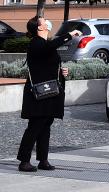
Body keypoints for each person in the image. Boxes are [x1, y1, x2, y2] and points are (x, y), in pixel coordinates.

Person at [17, 16, 82, 172]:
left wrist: (61, 71)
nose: (47, 22)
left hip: (49, 92)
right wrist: (70, 34)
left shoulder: (45, 44)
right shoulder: (36, 43)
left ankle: (43, 159)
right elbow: (50, 48)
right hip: (39, 94)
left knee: (46, 126)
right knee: (35, 126)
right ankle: (24, 161)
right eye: (44, 20)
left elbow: (46, 64)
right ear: (40, 27)